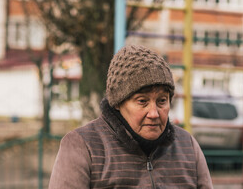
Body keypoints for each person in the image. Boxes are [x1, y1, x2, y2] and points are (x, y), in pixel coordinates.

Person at [48, 45, 213, 188]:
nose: (154, 113)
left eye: (162, 101)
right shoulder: (83, 146)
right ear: (118, 103)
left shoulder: (188, 146)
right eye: (142, 101)